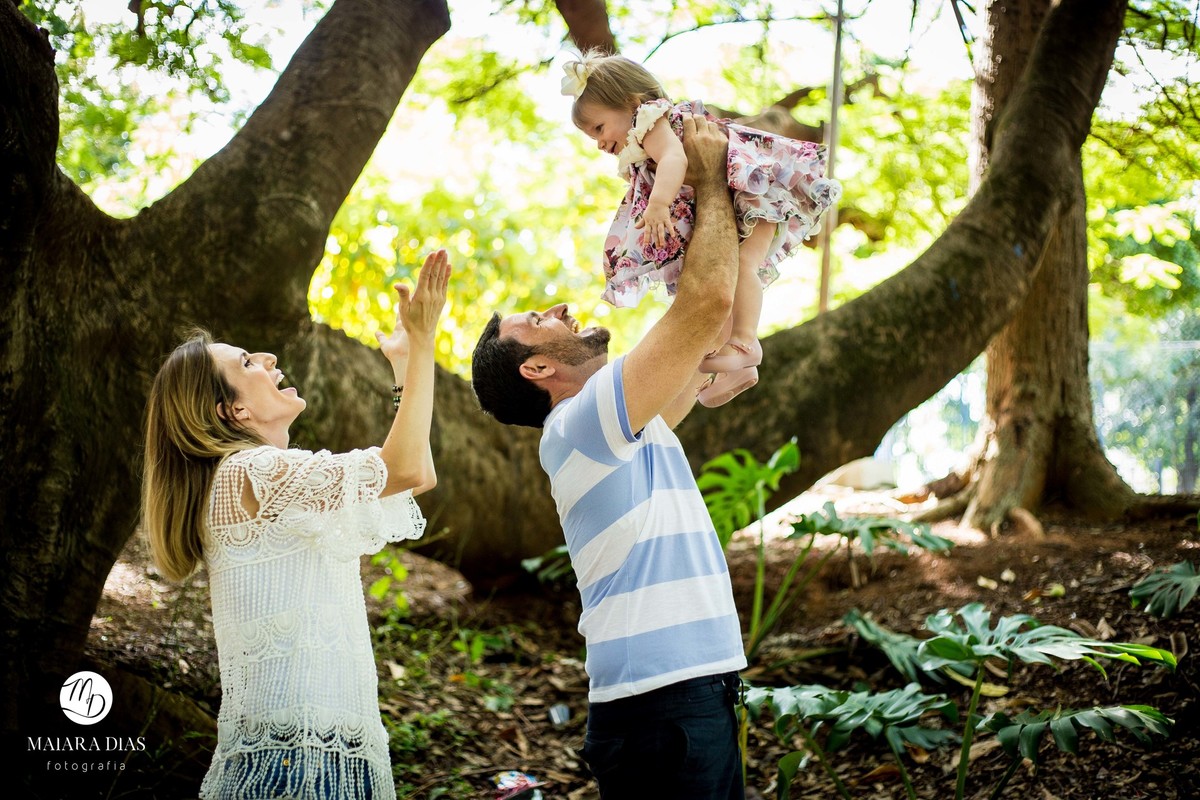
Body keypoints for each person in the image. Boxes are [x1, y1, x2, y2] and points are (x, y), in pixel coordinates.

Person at [471, 114, 747, 800]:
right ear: (537, 370)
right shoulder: (578, 425)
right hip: (662, 708)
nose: (561, 306)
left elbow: (711, 331)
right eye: (538, 319)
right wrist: (707, 177)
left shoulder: (624, 424)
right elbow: (705, 304)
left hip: (683, 698)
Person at [142, 250, 451, 800]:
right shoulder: (253, 474)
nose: (266, 357)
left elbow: (414, 474)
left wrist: (407, 366)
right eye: (245, 364)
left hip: (312, 753)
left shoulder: (257, 481)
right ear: (231, 411)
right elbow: (403, 467)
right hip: (299, 763)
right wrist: (424, 342)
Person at [561, 49, 842, 407]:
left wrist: (658, 205)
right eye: (591, 138)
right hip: (744, 198)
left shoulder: (650, 123)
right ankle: (735, 363)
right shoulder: (643, 141)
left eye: (599, 128)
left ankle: (743, 342)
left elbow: (675, 159)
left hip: (754, 194)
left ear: (632, 103)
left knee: (742, 268)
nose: (599, 143)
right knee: (729, 273)